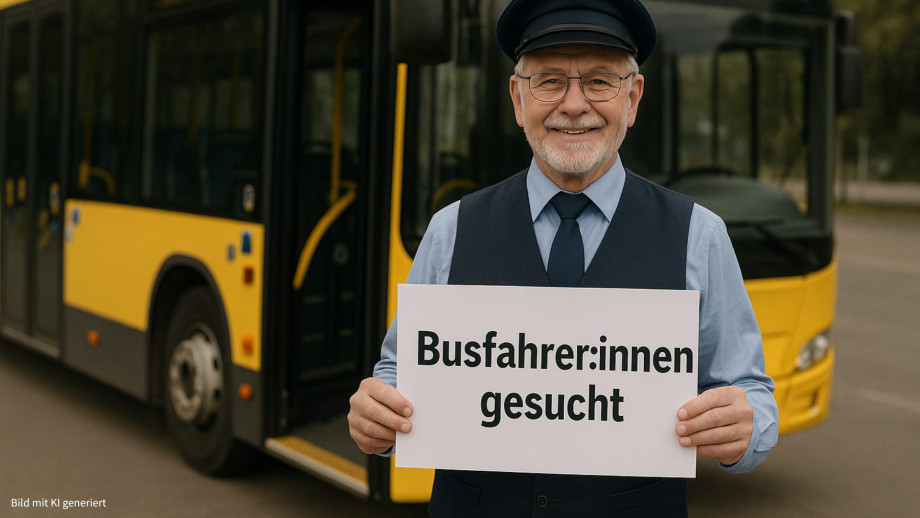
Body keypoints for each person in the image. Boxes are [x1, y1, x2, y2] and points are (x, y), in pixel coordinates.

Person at [348, 0, 778, 515]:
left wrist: (746, 424)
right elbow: (399, 374)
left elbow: (750, 391)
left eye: (599, 82)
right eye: (550, 81)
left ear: (633, 98)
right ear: (517, 98)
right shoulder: (450, 229)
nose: (574, 105)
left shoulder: (699, 236)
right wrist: (377, 413)